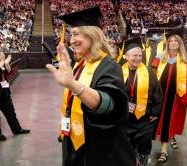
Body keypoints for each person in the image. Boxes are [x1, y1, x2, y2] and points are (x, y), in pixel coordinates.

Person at [46, 7, 136, 166]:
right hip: (75, 139)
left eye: (75, 34)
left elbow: (109, 105)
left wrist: (73, 84)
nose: (71, 40)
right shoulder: (81, 65)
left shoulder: (108, 65)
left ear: (92, 35)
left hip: (100, 147)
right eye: (70, 35)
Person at [151, 35, 187, 162]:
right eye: (170, 41)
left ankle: (164, 151)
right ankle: (169, 138)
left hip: (176, 99)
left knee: (169, 121)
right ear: (167, 44)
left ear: (180, 44)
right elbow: (151, 78)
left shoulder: (186, 60)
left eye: (175, 41)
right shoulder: (160, 58)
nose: (173, 43)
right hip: (160, 97)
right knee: (160, 121)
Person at [121, 37, 163, 166]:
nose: (138, 58)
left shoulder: (148, 71)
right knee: (126, 143)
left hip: (144, 117)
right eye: (134, 55)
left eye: (140, 55)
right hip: (125, 117)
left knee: (144, 143)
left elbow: (158, 92)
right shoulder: (117, 71)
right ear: (126, 56)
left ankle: (143, 163)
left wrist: (155, 112)